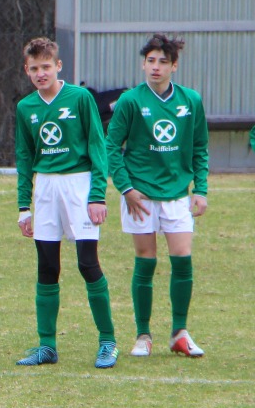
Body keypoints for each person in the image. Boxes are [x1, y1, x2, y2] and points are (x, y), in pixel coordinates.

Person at [12, 37, 117, 369]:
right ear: (27, 71)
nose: (40, 74)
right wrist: (23, 206)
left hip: (78, 185)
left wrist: (98, 195)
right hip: (45, 189)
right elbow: (24, 157)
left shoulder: (80, 98)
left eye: (46, 67)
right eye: (34, 69)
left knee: (87, 264)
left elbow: (98, 147)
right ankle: (47, 346)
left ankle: (107, 341)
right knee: (47, 268)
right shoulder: (25, 107)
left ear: (58, 66)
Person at [106, 34, 210, 359]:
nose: (156, 66)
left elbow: (200, 148)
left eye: (163, 61)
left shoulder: (190, 100)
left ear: (174, 66)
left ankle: (179, 332)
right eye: (151, 60)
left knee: (182, 260)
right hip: (140, 195)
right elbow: (111, 148)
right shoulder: (130, 101)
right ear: (143, 63)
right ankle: (142, 335)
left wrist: (201, 190)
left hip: (177, 193)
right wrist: (127, 189)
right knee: (145, 262)